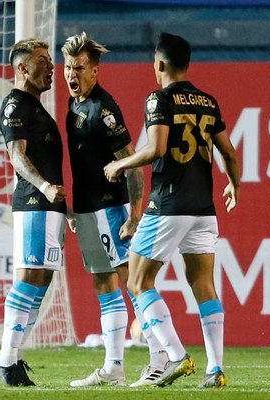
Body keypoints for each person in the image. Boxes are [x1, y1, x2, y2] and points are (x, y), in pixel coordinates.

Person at [104, 32, 241, 388]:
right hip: (203, 208)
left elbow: (157, 148)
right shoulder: (208, 102)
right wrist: (234, 185)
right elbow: (229, 152)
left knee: (137, 280)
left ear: (160, 64)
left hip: (168, 204)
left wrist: (121, 165)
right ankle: (215, 369)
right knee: (203, 284)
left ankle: (176, 357)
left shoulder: (158, 99)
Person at [61, 32, 169, 388]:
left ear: (95, 71)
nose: (70, 74)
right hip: (88, 209)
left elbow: (132, 164)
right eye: (67, 67)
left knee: (132, 280)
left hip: (112, 206)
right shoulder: (74, 104)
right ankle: (113, 367)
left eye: (78, 68)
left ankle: (159, 357)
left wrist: (135, 216)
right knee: (103, 282)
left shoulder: (103, 110)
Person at [0, 38, 67, 387]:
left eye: (51, 60)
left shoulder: (36, 107)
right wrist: (44, 187)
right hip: (34, 202)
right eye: (42, 60)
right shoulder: (15, 104)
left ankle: (15, 356)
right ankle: (5, 360)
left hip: (51, 205)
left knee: (43, 279)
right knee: (29, 276)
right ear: (22, 68)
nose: (51, 66)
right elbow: (17, 156)